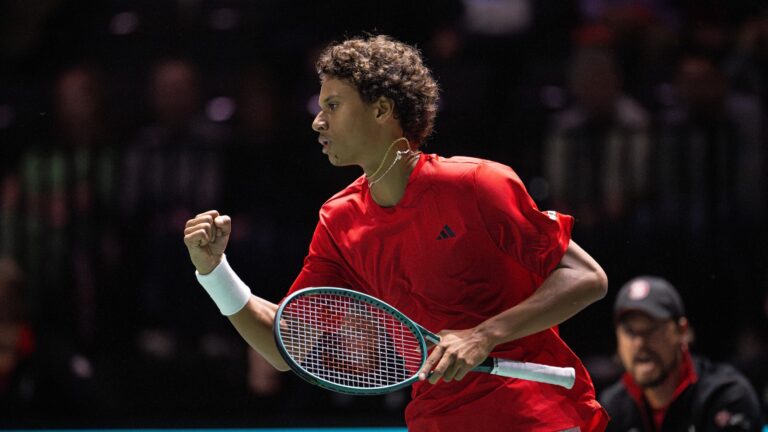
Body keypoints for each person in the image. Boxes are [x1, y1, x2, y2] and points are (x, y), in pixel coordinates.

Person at [184, 35, 609, 431]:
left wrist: (484, 335)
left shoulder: (477, 184)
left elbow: (586, 278)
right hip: (435, 419)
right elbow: (284, 347)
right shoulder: (340, 220)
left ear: (382, 110)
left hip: (534, 411)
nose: (317, 122)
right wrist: (213, 272)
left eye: (333, 105)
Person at [600, 276, 764, 431]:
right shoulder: (611, 408)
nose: (640, 343)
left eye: (652, 329)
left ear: (682, 331)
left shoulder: (725, 396)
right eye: (630, 332)